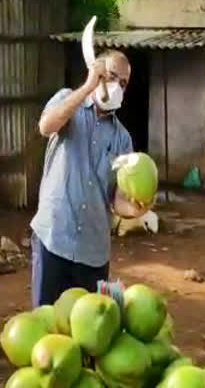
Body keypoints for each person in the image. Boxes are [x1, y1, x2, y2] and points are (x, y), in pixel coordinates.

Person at [31, 50, 149, 307]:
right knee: (46, 323)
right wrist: (87, 88)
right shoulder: (67, 101)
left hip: (92, 251)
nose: (117, 86)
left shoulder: (122, 139)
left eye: (123, 83)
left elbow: (115, 196)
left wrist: (133, 208)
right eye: (112, 76)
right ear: (97, 72)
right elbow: (46, 126)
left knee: (88, 332)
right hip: (53, 237)